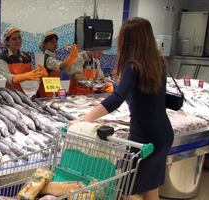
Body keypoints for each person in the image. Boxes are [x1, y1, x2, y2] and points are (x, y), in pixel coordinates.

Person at [70, 17, 174, 200]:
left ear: (128, 40)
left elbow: (117, 98)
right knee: (151, 188)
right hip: (163, 134)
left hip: (144, 138)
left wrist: (84, 119)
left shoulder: (133, 65)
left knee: (125, 190)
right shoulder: (158, 63)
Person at [0, 27, 48, 93]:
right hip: (11, 96)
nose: (18, 41)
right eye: (14, 39)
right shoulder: (3, 58)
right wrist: (25, 76)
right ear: (7, 42)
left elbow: (33, 74)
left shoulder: (27, 56)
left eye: (19, 37)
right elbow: (6, 78)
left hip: (27, 94)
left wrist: (42, 73)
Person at [37, 32, 78, 97]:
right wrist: (70, 59)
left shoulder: (53, 57)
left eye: (56, 42)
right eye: (52, 42)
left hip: (53, 93)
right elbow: (61, 66)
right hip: (45, 96)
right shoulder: (47, 59)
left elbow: (56, 82)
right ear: (44, 44)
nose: (55, 44)